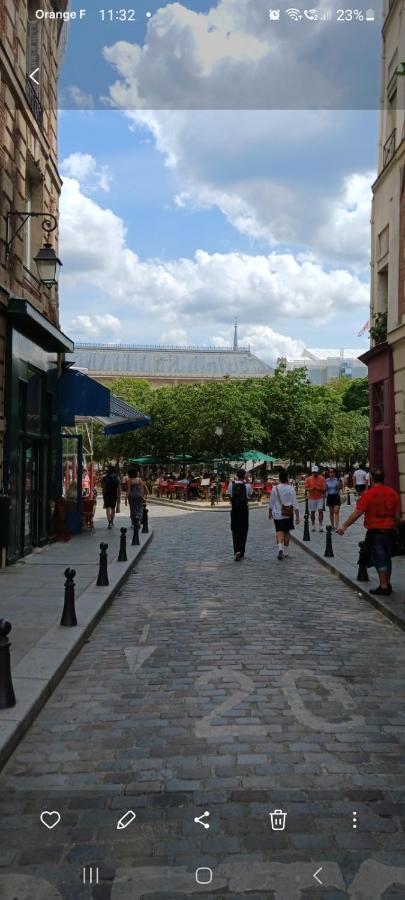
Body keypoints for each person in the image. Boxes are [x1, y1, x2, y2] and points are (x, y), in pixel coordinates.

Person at [337, 470, 401, 596]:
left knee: (379, 558)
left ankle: (383, 586)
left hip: (375, 532)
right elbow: (397, 516)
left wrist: (344, 526)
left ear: (371, 478)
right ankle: (387, 583)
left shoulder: (369, 494)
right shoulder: (393, 493)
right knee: (387, 557)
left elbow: (357, 513)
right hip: (390, 531)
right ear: (384, 477)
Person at [269, 468, 300, 560]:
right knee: (287, 532)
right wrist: (297, 517)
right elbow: (295, 504)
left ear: (279, 478)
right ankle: (286, 552)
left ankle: (280, 549)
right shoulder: (291, 489)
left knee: (278, 531)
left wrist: (270, 512)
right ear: (287, 478)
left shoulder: (275, 489)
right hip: (288, 514)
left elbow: (271, 502)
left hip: (277, 514)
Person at [227, 468, 253, 560]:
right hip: (244, 510)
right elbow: (250, 495)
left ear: (237, 475)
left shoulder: (231, 484)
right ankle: (241, 551)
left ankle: (236, 550)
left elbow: (229, 495)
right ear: (244, 476)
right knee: (243, 530)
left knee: (235, 530)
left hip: (234, 509)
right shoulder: (247, 485)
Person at [305, 465, 326, 532]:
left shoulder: (322, 478)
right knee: (312, 512)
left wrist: (318, 488)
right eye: (313, 472)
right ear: (312, 472)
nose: (315, 473)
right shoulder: (308, 479)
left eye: (316, 472)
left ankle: (320, 525)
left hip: (320, 497)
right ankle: (313, 525)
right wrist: (311, 489)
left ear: (318, 472)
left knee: (320, 511)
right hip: (311, 498)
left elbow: (324, 488)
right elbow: (306, 488)